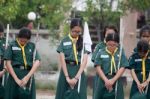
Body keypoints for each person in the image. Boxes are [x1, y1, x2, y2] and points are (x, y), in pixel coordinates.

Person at [55, 18, 89, 99]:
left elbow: (84, 61)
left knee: (79, 95)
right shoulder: (64, 41)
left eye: (78, 32)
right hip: (66, 70)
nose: (76, 33)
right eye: (74, 31)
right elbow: (62, 60)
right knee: (63, 95)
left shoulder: (84, 42)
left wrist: (76, 77)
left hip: (78, 71)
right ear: (70, 29)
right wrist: (67, 77)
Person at [4, 27, 40, 99]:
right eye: (21, 39)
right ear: (19, 37)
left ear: (28, 39)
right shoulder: (12, 45)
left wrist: (27, 77)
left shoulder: (32, 46)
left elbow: (37, 61)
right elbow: (8, 63)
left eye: (25, 39)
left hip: (28, 74)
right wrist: (16, 79)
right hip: (15, 74)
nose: (23, 40)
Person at [94, 33, 129, 99]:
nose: (111, 47)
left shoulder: (120, 53)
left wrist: (113, 80)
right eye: (109, 45)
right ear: (106, 43)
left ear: (117, 44)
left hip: (116, 79)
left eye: (114, 45)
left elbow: (123, 67)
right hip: (103, 79)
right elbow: (97, 67)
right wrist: (106, 80)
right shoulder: (101, 52)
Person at [91, 25, 118, 98]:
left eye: (112, 34)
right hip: (101, 78)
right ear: (104, 35)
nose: (110, 36)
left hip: (115, 78)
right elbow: (95, 62)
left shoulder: (119, 48)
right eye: (108, 34)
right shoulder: (99, 47)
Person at [0, 23, 6, 99]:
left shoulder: (5, 41)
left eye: (1, 35)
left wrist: (4, 71)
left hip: (3, 70)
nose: (0, 37)